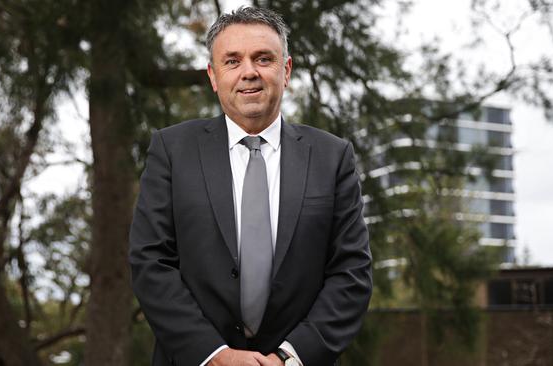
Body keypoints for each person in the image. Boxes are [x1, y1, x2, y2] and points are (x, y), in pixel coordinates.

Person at [129, 6, 372, 366]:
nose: (249, 73)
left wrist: (289, 358)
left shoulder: (332, 157)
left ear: (285, 70)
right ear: (213, 76)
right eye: (232, 61)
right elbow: (151, 262)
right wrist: (213, 355)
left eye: (263, 58)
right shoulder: (172, 150)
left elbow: (351, 273)